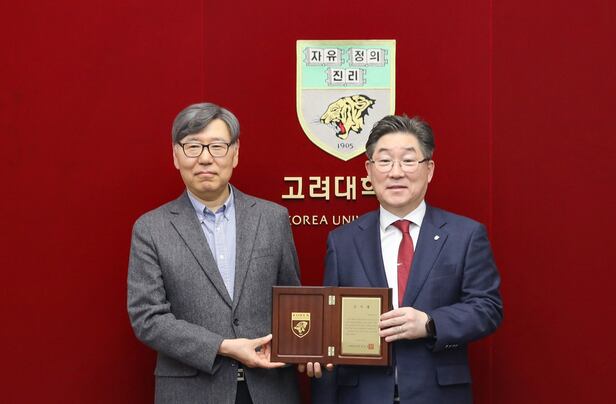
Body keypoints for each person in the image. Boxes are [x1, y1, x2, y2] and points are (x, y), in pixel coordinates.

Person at [309, 115, 503, 404]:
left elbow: (487, 308)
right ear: (369, 170)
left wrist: (429, 323)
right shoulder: (343, 241)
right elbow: (330, 321)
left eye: (408, 161)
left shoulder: (465, 235)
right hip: (362, 395)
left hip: (437, 395)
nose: (396, 172)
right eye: (385, 161)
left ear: (429, 169)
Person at [127, 103, 301, 404]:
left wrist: (308, 348)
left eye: (217, 146)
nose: (205, 158)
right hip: (191, 392)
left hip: (269, 388)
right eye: (193, 146)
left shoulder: (272, 218)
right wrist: (222, 346)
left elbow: (293, 301)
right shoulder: (151, 228)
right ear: (175, 155)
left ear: (235, 153)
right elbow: (148, 318)